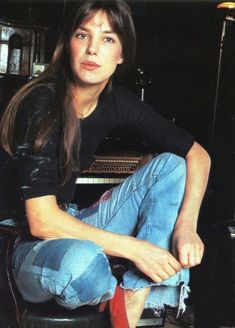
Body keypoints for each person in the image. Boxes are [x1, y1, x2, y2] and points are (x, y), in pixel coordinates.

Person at [0, 0, 211, 327]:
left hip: (69, 220)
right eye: (83, 36)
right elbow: (41, 222)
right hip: (19, 242)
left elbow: (197, 153)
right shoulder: (40, 101)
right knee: (86, 269)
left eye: (108, 39)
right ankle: (140, 289)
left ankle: (134, 295)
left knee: (172, 166)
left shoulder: (115, 101)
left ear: (121, 54)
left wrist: (187, 226)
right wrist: (137, 250)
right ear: (69, 44)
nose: (93, 49)